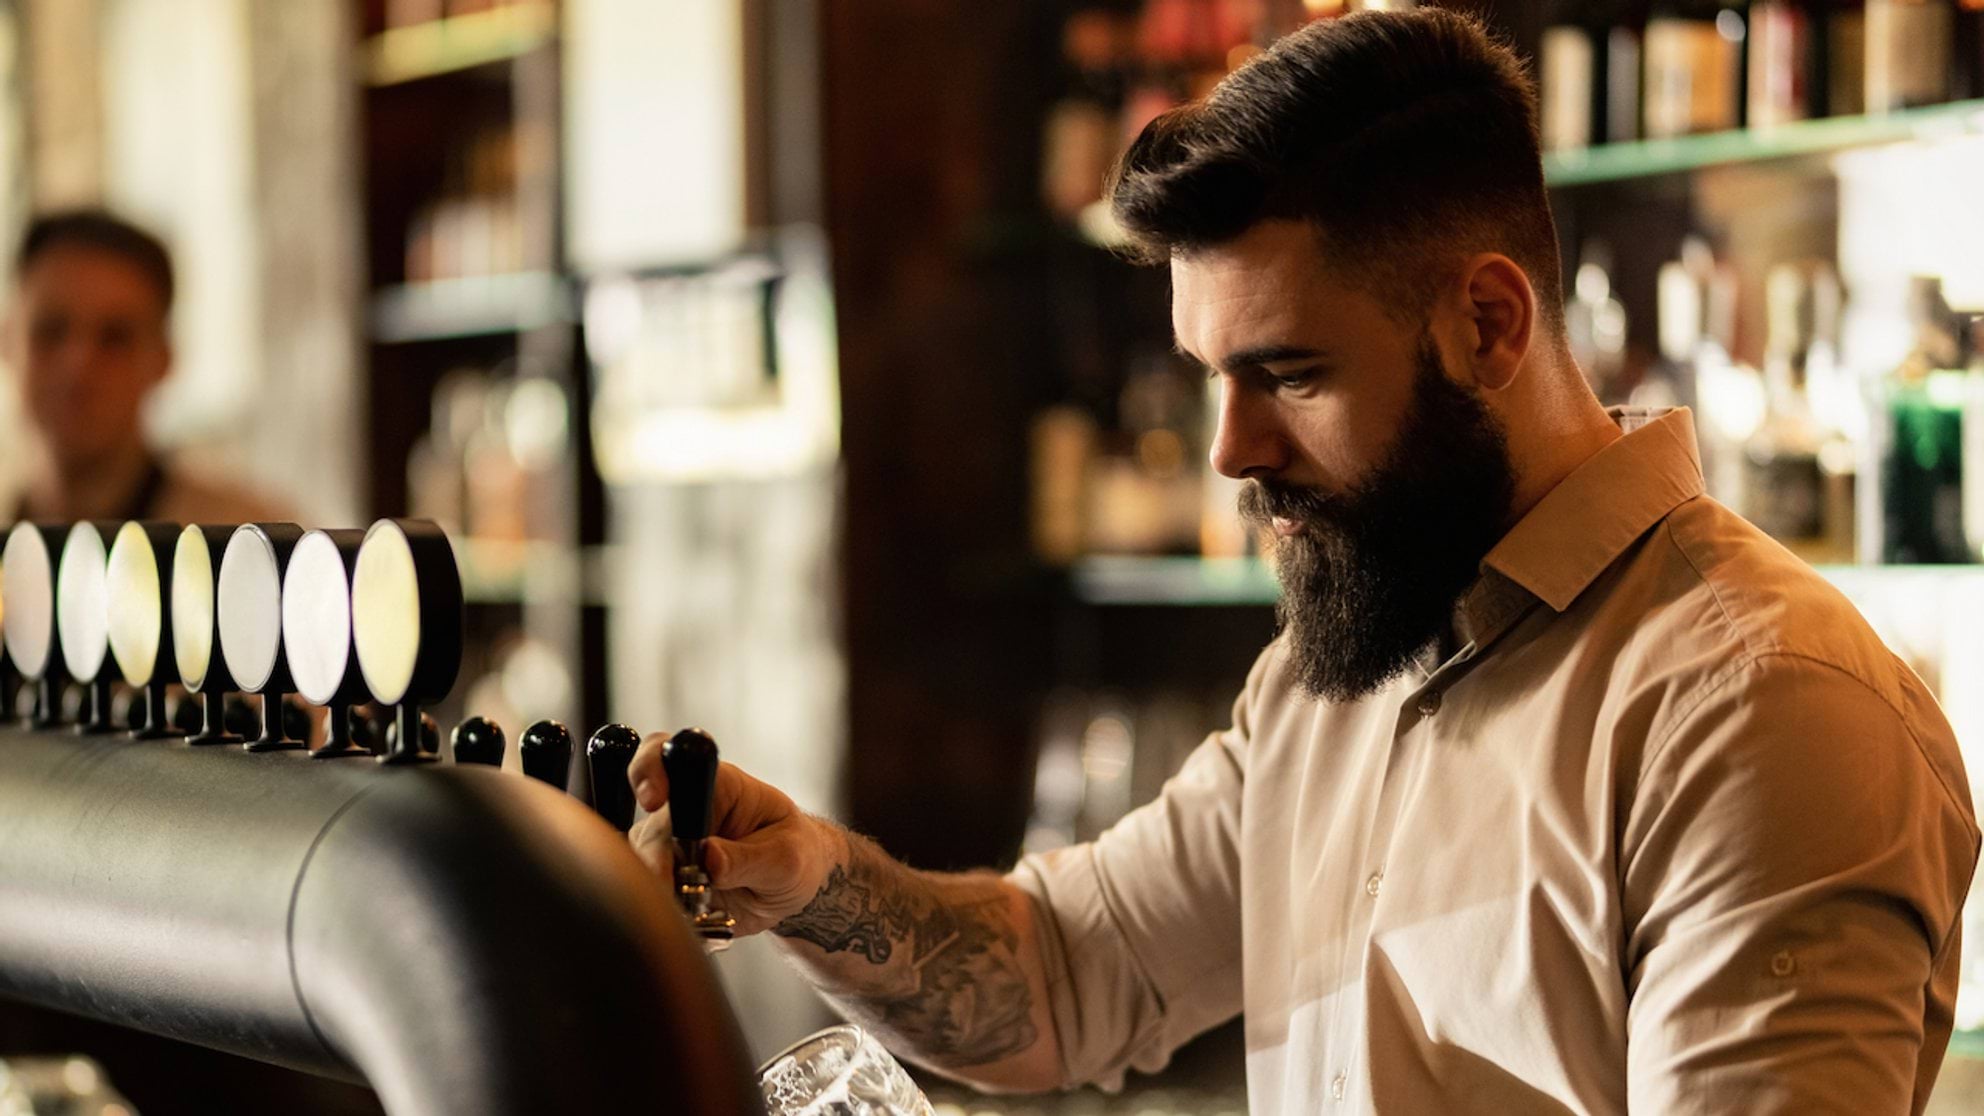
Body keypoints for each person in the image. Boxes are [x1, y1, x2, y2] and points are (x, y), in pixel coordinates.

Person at [626, 10, 1978, 1114]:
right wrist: (805, 881)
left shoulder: (1767, 712)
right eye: (1213, 376)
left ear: (1490, 323)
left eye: (1289, 372)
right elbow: (1066, 977)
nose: (1229, 450)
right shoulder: (1335, 681)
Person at [2, 208, 283, 525]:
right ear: (7, 341)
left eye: (115, 337)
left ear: (165, 357)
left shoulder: (246, 543)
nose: (77, 364)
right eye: (51, 330)